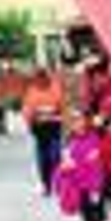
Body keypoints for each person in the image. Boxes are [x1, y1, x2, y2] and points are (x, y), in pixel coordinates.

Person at [21, 67, 64, 196]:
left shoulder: (55, 89)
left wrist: (57, 115)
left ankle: (57, 183)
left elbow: (62, 106)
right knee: (43, 158)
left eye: (43, 79)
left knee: (55, 155)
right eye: (37, 80)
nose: (40, 82)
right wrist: (32, 120)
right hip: (39, 129)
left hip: (54, 126)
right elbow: (27, 110)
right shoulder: (32, 92)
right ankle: (46, 184)